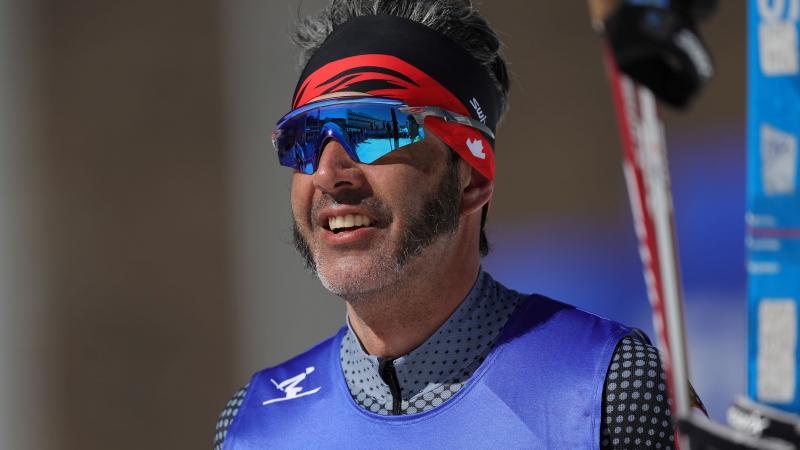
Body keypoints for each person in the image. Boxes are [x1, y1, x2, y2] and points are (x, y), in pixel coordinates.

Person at [214, 1, 701, 448]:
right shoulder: (254, 425)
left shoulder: (610, 388)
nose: (327, 173)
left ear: (472, 177)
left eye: (376, 130)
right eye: (304, 138)